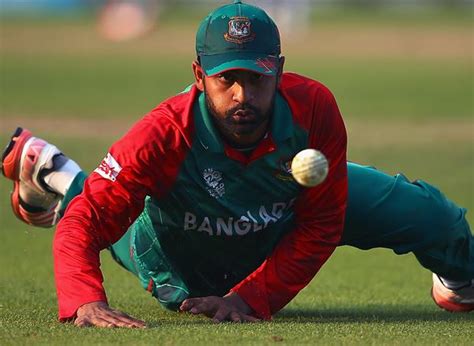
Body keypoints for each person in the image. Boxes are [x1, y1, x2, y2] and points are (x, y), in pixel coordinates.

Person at [1, 0, 472, 328]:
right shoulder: (163, 133)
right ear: (199, 75)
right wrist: (84, 300)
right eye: (227, 79)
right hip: (173, 236)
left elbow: (323, 223)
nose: (242, 96)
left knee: (431, 215)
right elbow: (90, 220)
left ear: (280, 71)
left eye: (257, 78)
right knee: (127, 232)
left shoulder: (313, 109)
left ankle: (462, 281)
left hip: (283, 208)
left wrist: (253, 297)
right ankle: (64, 180)